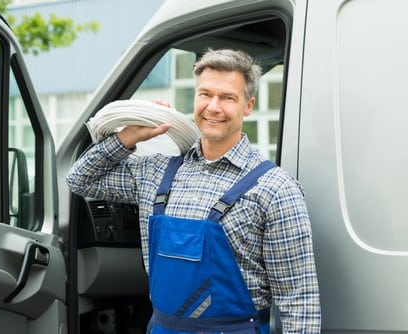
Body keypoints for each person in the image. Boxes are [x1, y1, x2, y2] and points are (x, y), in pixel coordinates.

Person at [67, 48, 320, 333]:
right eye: (205, 94)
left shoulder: (275, 189)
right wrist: (129, 134)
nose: (213, 107)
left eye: (227, 97)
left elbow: (300, 301)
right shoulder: (154, 172)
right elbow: (80, 179)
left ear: (248, 106)